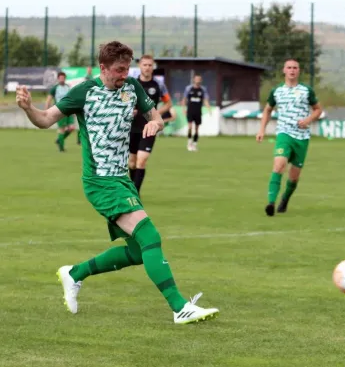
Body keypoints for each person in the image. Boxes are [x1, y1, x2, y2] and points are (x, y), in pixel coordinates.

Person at [15, 40, 219, 325]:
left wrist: (154, 125)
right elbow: (46, 119)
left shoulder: (132, 88)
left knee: (137, 251)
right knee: (150, 236)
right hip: (99, 181)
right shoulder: (84, 92)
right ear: (103, 68)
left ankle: (74, 273)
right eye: (119, 70)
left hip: (122, 180)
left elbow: (158, 118)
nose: (124, 75)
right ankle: (179, 306)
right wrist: (28, 108)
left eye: (127, 69)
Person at [256, 59, 323, 216]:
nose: (292, 70)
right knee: (279, 165)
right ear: (284, 70)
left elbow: (318, 109)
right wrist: (261, 130)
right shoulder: (277, 91)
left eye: (295, 68)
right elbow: (267, 110)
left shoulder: (307, 90)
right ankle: (271, 203)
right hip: (284, 133)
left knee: (294, 177)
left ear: (298, 71)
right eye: (289, 68)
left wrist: (308, 120)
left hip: (302, 138)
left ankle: (285, 199)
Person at [128, 54, 173, 194]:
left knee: (142, 161)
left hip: (150, 128)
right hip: (132, 128)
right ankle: (133, 189)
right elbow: (124, 100)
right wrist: (130, 109)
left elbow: (168, 103)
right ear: (140, 66)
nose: (147, 67)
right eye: (144, 65)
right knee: (132, 162)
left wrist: (154, 113)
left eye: (149, 65)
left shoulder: (158, 85)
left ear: (153, 67)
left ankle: (135, 193)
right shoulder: (132, 84)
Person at [182, 75, 210, 151]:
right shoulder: (188, 88)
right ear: (194, 80)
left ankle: (194, 144)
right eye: (196, 79)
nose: (198, 80)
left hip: (198, 111)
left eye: (199, 79)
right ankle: (189, 142)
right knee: (190, 127)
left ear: (201, 80)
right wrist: (183, 108)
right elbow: (184, 99)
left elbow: (205, 99)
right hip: (190, 111)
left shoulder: (203, 89)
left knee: (197, 129)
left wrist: (208, 108)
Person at [46, 72, 72, 152]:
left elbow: (71, 98)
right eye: (60, 78)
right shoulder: (55, 88)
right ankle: (61, 148)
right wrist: (47, 109)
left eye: (63, 78)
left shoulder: (68, 87)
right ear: (58, 79)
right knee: (62, 129)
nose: (62, 79)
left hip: (69, 110)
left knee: (71, 128)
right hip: (59, 110)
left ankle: (59, 140)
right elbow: (49, 98)